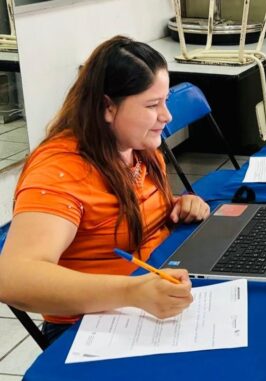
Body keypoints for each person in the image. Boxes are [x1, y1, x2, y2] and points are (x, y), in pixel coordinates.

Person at [0, 35, 211, 344]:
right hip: (91, 323)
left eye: (164, 101)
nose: (166, 116)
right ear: (108, 108)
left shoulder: (139, 147)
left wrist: (180, 203)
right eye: (153, 105)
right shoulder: (61, 172)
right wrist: (132, 292)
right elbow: (13, 279)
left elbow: (130, 214)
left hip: (149, 294)